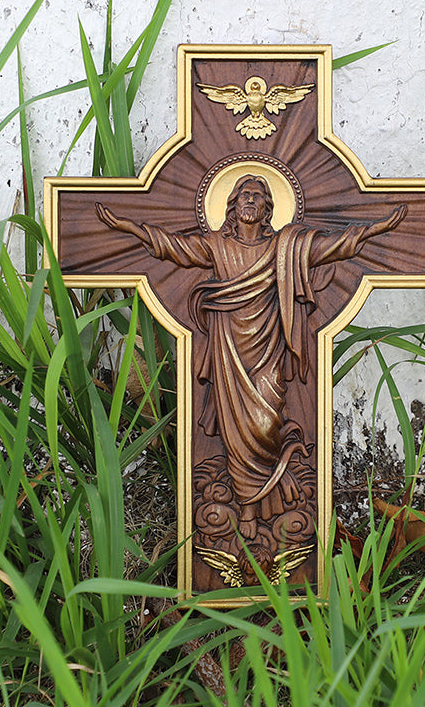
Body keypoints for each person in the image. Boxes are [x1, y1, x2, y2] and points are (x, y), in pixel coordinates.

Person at [96, 175, 407, 538]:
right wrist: (126, 226)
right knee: (235, 433)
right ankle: (246, 508)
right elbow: (172, 247)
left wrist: (378, 228)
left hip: (268, 353)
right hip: (229, 353)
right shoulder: (215, 246)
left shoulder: (286, 247)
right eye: (243, 195)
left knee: (265, 426)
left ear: (267, 209)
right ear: (231, 206)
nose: (250, 200)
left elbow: (333, 248)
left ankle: (267, 496)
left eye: (258, 196)